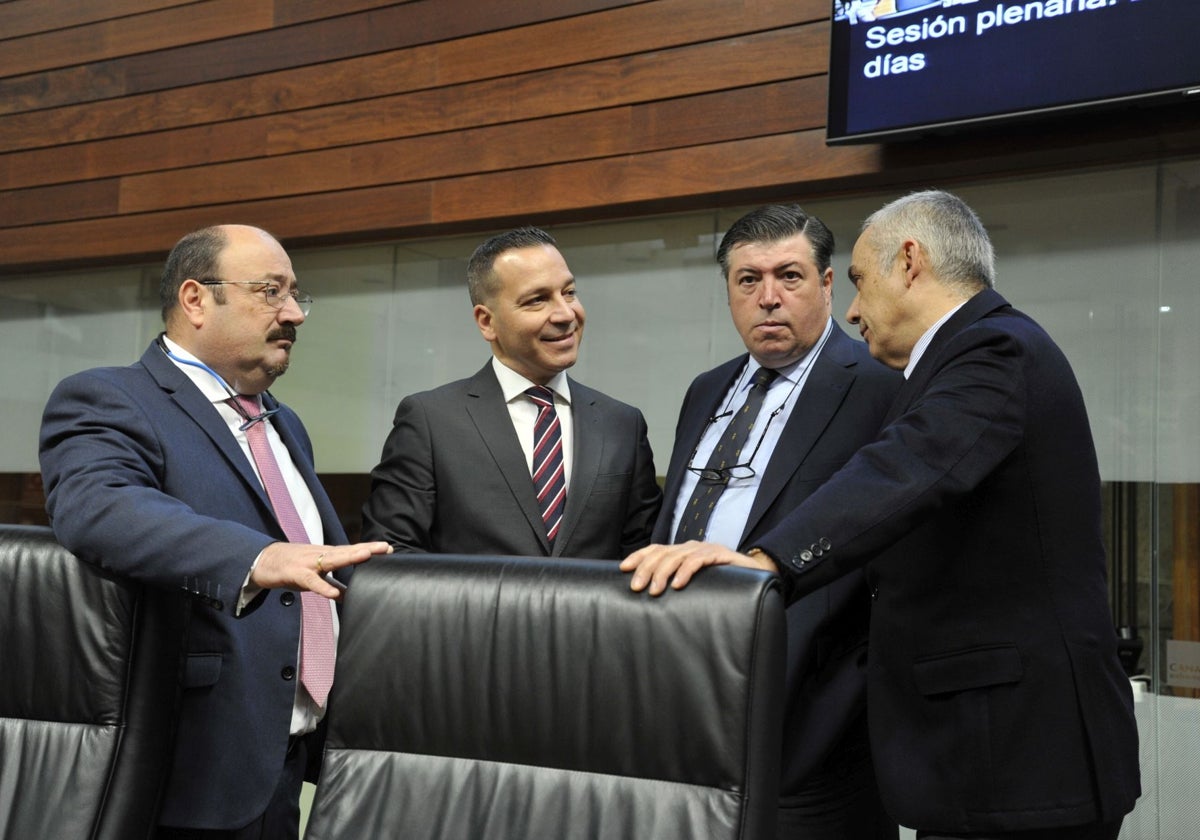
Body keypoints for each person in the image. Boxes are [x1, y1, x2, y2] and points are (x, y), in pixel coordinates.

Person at [622, 190, 1141, 839]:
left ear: (911, 262)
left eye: (861, 283)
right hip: (981, 761)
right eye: (748, 279)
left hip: (1019, 758)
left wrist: (765, 560)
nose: (855, 310)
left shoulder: (994, 350)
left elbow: (905, 469)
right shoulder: (969, 355)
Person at [39, 224, 392, 840]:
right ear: (196, 299)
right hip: (195, 768)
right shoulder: (109, 397)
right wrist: (260, 557)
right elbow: (98, 507)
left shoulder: (284, 423)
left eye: (295, 295)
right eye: (269, 291)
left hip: (289, 762)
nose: (293, 314)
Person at [654, 204, 901, 839]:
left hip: (814, 717)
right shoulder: (705, 389)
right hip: (681, 685)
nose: (768, 298)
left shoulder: (880, 384)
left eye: (789, 277)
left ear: (826, 284)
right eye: (748, 280)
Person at [361, 226, 662, 558]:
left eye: (569, 292)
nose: (565, 314)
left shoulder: (622, 424)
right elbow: (392, 556)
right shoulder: (431, 421)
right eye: (537, 300)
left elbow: (645, 557)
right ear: (487, 322)